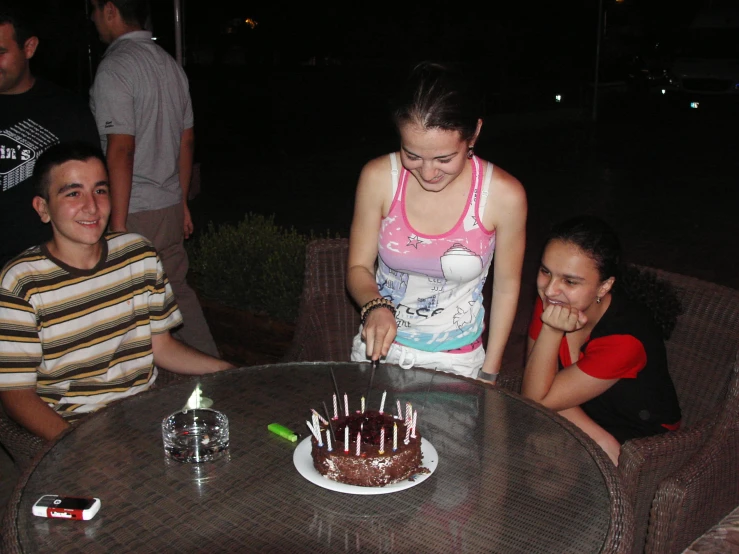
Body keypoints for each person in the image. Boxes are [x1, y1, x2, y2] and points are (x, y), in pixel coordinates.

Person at [0, 142, 235, 441]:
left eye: (100, 190)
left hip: (146, 413)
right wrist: (73, 446)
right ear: (43, 208)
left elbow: (160, 347)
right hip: (76, 426)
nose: (92, 206)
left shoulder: (138, 254)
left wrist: (227, 370)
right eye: (73, 193)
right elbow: (16, 394)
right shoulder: (21, 282)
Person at [347, 61, 527, 380]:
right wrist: (375, 306)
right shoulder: (378, 178)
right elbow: (358, 268)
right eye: (412, 155)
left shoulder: (504, 195)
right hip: (380, 350)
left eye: (444, 159)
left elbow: (506, 287)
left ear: (474, 134)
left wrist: (490, 371)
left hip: (456, 362)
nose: (428, 173)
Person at [88, 0, 218, 357]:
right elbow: (186, 140)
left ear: (110, 9)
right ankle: (217, 371)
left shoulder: (115, 67)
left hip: (134, 209)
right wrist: (182, 204)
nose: (94, 19)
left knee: (121, 300)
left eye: (95, 11)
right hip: (167, 206)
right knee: (176, 289)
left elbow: (121, 149)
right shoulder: (170, 65)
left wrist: (115, 225)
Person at [521, 215, 682, 465]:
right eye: (545, 272)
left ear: (604, 286)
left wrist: (551, 331)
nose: (550, 289)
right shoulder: (553, 303)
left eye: (569, 281)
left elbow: (535, 397)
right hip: (586, 416)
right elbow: (537, 391)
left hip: (640, 438)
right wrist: (598, 437)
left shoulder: (624, 339)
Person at [0, 2, 100, 267]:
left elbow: (94, 188)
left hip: (44, 264)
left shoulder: (66, 111)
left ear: (29, 47)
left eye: (0, 52)